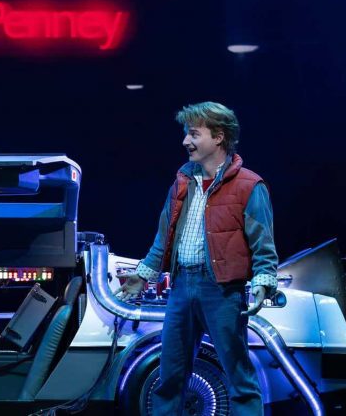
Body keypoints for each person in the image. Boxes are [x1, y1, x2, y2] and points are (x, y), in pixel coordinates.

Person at [115, 102, 278, 415]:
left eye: (193, 134)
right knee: (170, 375)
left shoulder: (249, 185)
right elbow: (164, 237)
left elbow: (263, 243)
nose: (185, 141)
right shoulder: (182, 182)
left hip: (222, 290)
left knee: (239, 377)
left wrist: (263, 280)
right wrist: (143, 275)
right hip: (181, 286)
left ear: (218, 136)